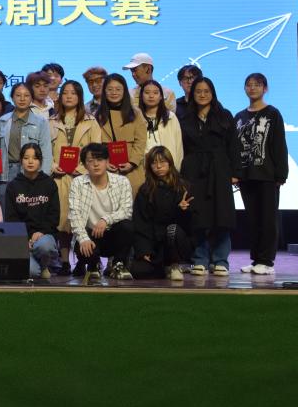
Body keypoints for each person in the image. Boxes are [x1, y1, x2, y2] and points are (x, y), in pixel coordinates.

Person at [178, 77, 241, 276]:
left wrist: (235, 172)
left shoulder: (224, 115)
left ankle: (221, 260)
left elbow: (234, 145)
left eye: (206, 91)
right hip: (193, 170)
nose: (202, 95)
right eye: (198, 91)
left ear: (212, 93)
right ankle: (200, 259)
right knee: (198, 216)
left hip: (219, 169)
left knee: (221, 215)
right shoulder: (185, 118)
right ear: (192, 94)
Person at [235, 72, 288, 275]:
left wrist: (281, 174)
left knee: (268, 219)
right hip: (246, 175)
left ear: (265, 88)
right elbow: (234, 147)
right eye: (249, 84)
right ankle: (257, 259)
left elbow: (279, 145)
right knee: (253, 220)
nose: (252, 88)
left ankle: (267, 261)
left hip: (267, 175)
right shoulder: (239, 117)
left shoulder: (273, 113)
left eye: (257, 84)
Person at [49, 80, 101, 273]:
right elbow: (45, 149)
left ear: (79, 97)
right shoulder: (51, 121)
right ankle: (64, 261)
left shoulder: (91, 121)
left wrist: (82, 168)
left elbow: (97, 149)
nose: (69, 96)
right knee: (63, 222)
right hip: (59, 178)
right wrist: (53, 166)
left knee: (85, 220)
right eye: (65, 93)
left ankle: (84, 260)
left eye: (73, 93)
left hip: (83, 177)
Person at [67, 143, 135, 280]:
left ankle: (118, 265)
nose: (96, 164)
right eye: (91, 161)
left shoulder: (122, 181)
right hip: (91, 235)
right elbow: (74, 215)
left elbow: (126, 210)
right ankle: (93, 265)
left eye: (100, 159)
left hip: (113, 233)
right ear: (85, 165)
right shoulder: (78, 183)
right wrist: (83, 238)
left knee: (127, 226)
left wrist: (105, 219)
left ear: (107, 161)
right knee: (81, 244)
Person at [132, 146, 194, 281]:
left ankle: (175, 265)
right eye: (154, 163)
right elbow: (141, 222)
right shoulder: (145, 190)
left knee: (173, 230)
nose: (158, 166)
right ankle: (163, 267)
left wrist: (183, 210)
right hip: (155, 242)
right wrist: (144, 249)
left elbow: (191, 224)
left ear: (170, 163)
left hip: (177, 239)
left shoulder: (183, 186)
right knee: (139, 271)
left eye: (162, 162)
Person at [3, 144, 60, 279]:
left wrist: (41, 232)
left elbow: (54, 215)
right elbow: (11, 218)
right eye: (26, 158)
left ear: (40, 161)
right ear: (21, 160)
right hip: (22, 238)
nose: (30, 161)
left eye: (35, 158)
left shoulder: (49, 183)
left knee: (45, 246)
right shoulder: (12, 186)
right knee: (32, 272)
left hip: (44, 235)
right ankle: (35, 262)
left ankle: (44, 264)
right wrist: (25, 239)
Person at [0, 82, 51, 198]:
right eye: (18, 95)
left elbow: (46, 152)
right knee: (5, 206)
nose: (22, 99)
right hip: (6, 173)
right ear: (12, 98)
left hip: (31, 173)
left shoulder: (41, 122)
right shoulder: (2, 121)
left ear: (31, 98)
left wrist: (43, 177)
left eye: (26, 95)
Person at [94, 73, 146, 194]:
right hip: (107, 169)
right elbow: (95, 144)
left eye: (118, 89)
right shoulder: (98, 115)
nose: (114, 93)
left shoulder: (135, 113)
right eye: (110, 89)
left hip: (132, 169)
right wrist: (104, 162)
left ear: (124, 91)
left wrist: (132, 162)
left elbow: (141, 141)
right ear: (104, 91)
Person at [139, 79, 184, 167]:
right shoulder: (136, 118)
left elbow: (178, 147)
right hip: (144, 168)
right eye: (147, 93)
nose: (151, 96)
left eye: (155, 93)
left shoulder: (170, 117)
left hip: (169, 167)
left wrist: (176, 169)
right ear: (141, 96)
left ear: (161, 97)